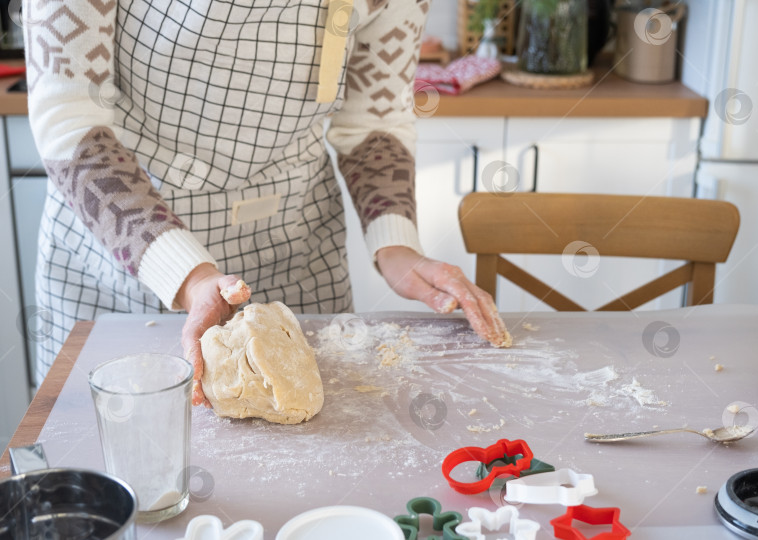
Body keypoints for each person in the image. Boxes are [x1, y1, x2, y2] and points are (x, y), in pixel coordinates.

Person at [24, 0, 510, 405]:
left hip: (296, 251)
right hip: (126, 260)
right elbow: (71, 121)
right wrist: (189, 278)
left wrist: (396, 243)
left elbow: (374, 119)